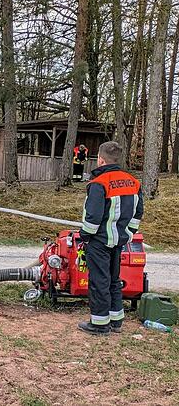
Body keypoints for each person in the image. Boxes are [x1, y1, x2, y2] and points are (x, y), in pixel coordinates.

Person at [78, 141, 144, 335]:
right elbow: (138, 212)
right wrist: (129, 233)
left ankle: (99, 324)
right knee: (114, 280)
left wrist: (85, 236)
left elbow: (93, 217)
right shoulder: (133, 182)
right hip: (119, 241)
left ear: (100, 159)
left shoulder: (99, 183)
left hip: (99, 241)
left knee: (99, 281)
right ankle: (116, 320)